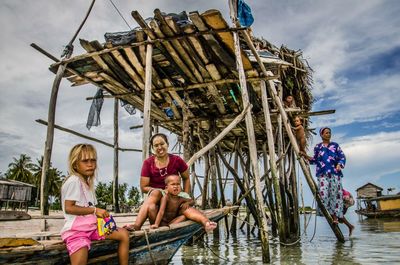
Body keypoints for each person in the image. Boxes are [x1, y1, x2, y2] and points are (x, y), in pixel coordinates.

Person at [61, 144, 129, 265]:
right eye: (85, 161)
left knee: (123, 234)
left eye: (93, 160)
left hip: (91, 228)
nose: (90, 164)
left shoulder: (87, 183)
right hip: (76, 232)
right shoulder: (74, 181)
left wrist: (108, 224)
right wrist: (95, 210)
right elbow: (69, 208)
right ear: (75, 165)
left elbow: (89, 208)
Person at [126, 133, 191, 231]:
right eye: (156, 145)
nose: (160, 147)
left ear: (167, 144)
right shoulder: (148, 163)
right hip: (156, 201)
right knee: (153, 201)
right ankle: (137, 226)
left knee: (186, 212)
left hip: (173, 199)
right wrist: (161, 191)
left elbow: (186, 178)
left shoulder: (177, 160)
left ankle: (144, 226)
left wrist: (186, 197)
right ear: (152, 148)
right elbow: (144, 187)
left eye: (162, 144)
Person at [305, 127, 346, 224]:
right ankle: (327, 214)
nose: (328, 134)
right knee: (323, 193)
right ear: (322, 135)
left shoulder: (335, 146)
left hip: (335, 173)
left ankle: (335, 217)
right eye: (326, 133)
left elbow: (342, 157)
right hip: (322, 174)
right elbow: (315, 160)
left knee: (335, 195)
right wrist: (305, 156)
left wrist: (339, 164)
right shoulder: (318, 147)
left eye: (329, 133)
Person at [151, 175, 217, 232]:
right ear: (166, 188)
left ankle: (206, 223)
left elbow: (192, 201)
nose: (176, 186)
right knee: (186, 211)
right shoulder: (165, 197)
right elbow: (161, 212)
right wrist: (156, 224)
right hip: (163, 224)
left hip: (173, 223)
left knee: (185, 212)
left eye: (178, 184)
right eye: (173, 184)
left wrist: (187, 203)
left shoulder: (180, 198)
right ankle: (205, 222)